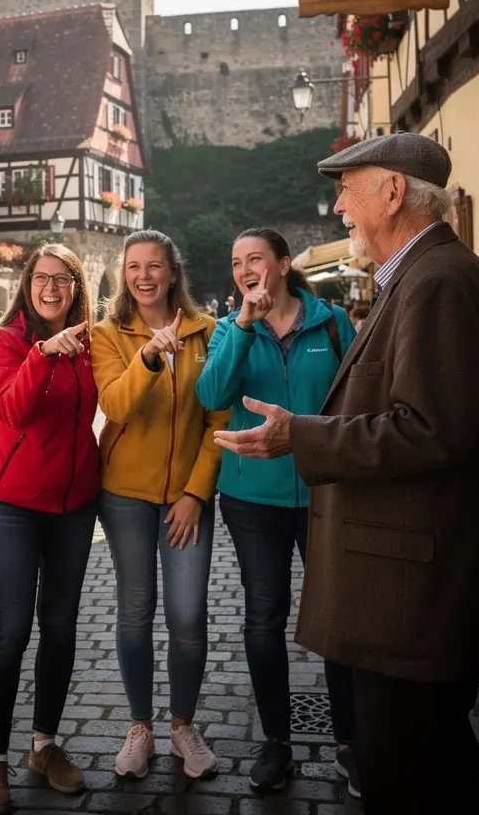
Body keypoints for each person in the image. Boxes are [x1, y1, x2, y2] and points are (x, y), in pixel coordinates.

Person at [212, 135, 479, 815]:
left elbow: (427, 429)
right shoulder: (420, 278)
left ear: (392, 193)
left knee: (412, 772)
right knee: (421, 761)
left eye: (348, 190)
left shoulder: (436, 282)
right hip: (407, 586)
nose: (338, 206)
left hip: (410, 593)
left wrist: (301, 435)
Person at [196, 228, 359, 796]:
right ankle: (277, 742)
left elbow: (361, 403)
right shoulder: (227, 329)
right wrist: (242, 325)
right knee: (264, 617)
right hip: (253, 499)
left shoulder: (334, 324)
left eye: (256, 259)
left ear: (284, 264)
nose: (245, 269)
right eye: (236, 261)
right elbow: (211, 396)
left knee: (339, 615)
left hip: (328, 493)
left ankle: (349, 743)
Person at [90, 229, 229, 781]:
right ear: (124, 275)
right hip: (123, 495)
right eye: (133, 267)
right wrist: (148, 356)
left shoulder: (209, 333)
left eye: (154, 266)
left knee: (189, 614)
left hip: (186, 498)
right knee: (135, 612)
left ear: (174, 273)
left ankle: (183, 726)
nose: (143, 276)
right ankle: (141, 727)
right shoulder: (109, 334)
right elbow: (115, 406)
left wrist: (196, 493)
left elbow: (219, 421)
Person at [0, 244, 100, 814]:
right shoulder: (5, 342)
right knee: (10, 629)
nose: (52, 288)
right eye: (42, 279)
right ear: (27, 285)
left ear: (77, 287)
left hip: (73, 504)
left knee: (61, 626)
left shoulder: (92, 344)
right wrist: (44, 353)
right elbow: (12, 411)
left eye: (63, 280)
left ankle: (44, 745)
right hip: (11, 502)